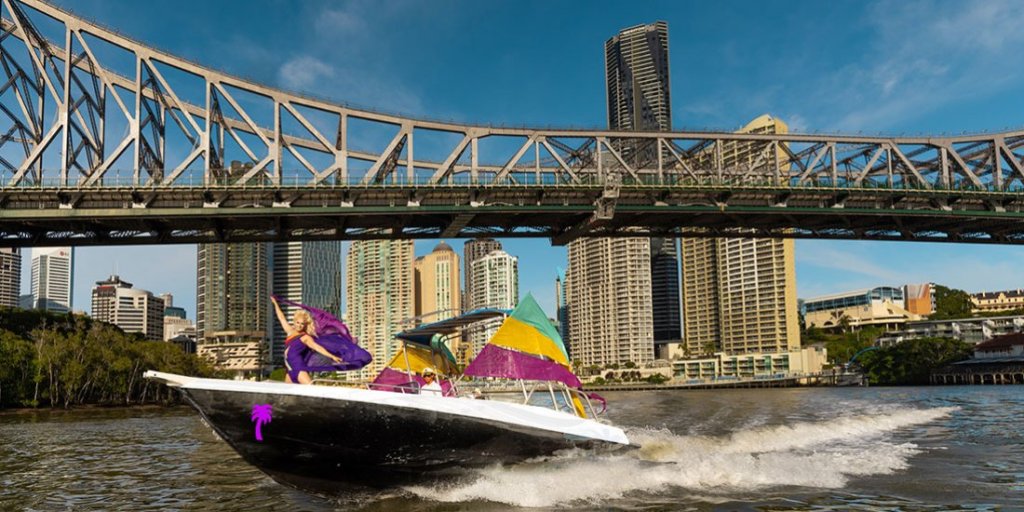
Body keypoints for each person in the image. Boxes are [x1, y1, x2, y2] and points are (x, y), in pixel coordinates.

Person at [272, 296, 343, 384]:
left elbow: (317, 347)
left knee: (311, 390)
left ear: (305, 325)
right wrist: (275, 303)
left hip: (299, 368)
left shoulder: (305, 337)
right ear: (294, 322)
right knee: (287, 395)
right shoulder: (290, 332)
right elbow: (281, 318)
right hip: (289, 371)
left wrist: (332, 356)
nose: (299, 325)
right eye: (298, 323)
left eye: (302, 324)